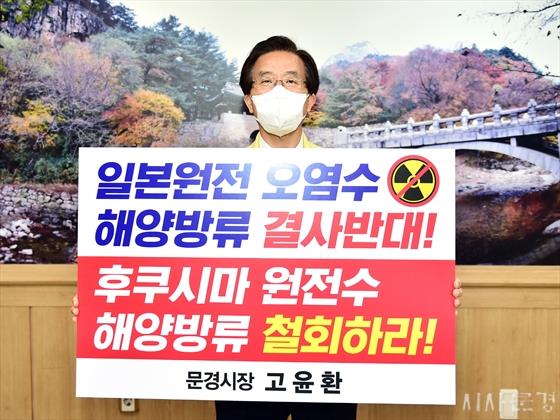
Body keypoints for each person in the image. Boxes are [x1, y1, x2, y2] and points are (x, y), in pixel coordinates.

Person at [72, 35, 463, 420]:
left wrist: (430, 293)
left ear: (310, 100)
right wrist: (105, 301)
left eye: (291, 81)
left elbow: (378, 265)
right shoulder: (213, 182)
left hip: (328, 357)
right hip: (240, 361)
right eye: (266, 81)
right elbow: (182, 272)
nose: (279, 91)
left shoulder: (356, 179)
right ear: (249, 99)